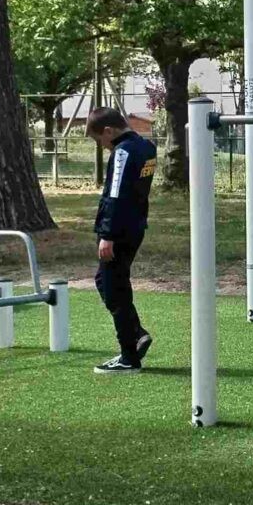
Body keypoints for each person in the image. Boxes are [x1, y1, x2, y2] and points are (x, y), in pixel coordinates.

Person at [86, 106, 156, 374]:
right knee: (109, 281)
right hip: (136, 226)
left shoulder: (122, 153)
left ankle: (129, 355)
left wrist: (107, 235)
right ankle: (136, 334)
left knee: (113, 287)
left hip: (119, 231)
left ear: (108, 131)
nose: (101, 146)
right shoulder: (146, 147)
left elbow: (115, 196)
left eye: (98, 140)